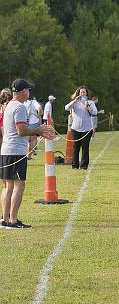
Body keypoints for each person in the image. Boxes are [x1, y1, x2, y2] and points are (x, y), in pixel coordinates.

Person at [1, 79, 54, 229]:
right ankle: (13, 220)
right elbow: (21, 131)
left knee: (7, 186)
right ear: (23, 91)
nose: (29, 92)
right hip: (16, 151)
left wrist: (37, 129)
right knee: (19, 185)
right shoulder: (20, 107)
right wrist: (39, 130)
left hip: (6, 150)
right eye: (28, 90)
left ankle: (5, 219)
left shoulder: (9, 105)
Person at [65, 85, 97, 170]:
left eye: (84, 92)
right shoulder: (75, 102)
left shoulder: (90, 102)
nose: (82, 93)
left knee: (85, 147)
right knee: (75, 147)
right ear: (78, 93)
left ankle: (83, 166)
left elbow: (95, 112)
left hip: (87, 128)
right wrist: (74, 101)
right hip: (75, 128)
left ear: (86, 93)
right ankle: (75, 165)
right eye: (81, 92)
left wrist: (88, 107)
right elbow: (66, 108)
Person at [23, 95, 42, 159]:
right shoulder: (33, 102)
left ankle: (25, 155)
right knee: (33, 140)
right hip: (34, 122)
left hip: (25, 121)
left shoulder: (23, 102)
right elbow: (40, 109)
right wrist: (38, 116)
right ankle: (29, 156)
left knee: (26, 140)